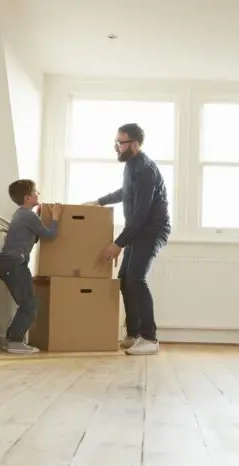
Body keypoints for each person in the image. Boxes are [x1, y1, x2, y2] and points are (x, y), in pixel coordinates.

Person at [84, 123, 171, 356]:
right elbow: (125, 193)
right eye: (116, 142)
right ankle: (133, 334)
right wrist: (99, 202)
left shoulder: (144, 169)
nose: (117, 147)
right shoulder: (131, 166)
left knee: (136, 278)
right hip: (138, 230)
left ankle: (149, 338)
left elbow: (142, 212)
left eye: (121, 143)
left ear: (135, 144)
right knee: (124, 278)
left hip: (151, 230)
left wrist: (117, 244)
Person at [0, 179, 62, 354]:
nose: (38, 194)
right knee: (30, 304)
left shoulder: (21, 214)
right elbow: (50, 234)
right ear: (27, 198)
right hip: (15, 263)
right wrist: (56, 217)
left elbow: (33, 236)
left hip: (10, 263)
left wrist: (39, 216)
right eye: (35, 192)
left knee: (26, 303)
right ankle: (15, 341)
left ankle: (11, 339)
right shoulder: (28, 216)